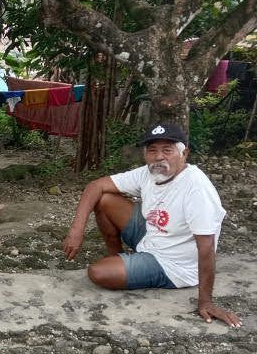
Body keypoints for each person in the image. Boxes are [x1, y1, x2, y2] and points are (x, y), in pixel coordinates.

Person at [63, 123, 241, 327]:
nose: (159, 157)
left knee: (98, 273)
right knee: (104, 199)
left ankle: (127, 266)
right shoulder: (148, 173)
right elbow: (96, 186)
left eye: (167, 150)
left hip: (173, 264)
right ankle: (118, 257)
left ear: (185, 154)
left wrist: (206, 301)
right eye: (152, 150)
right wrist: (77, 230)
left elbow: (206, 245)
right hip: (152, 235)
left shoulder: (196, 187)